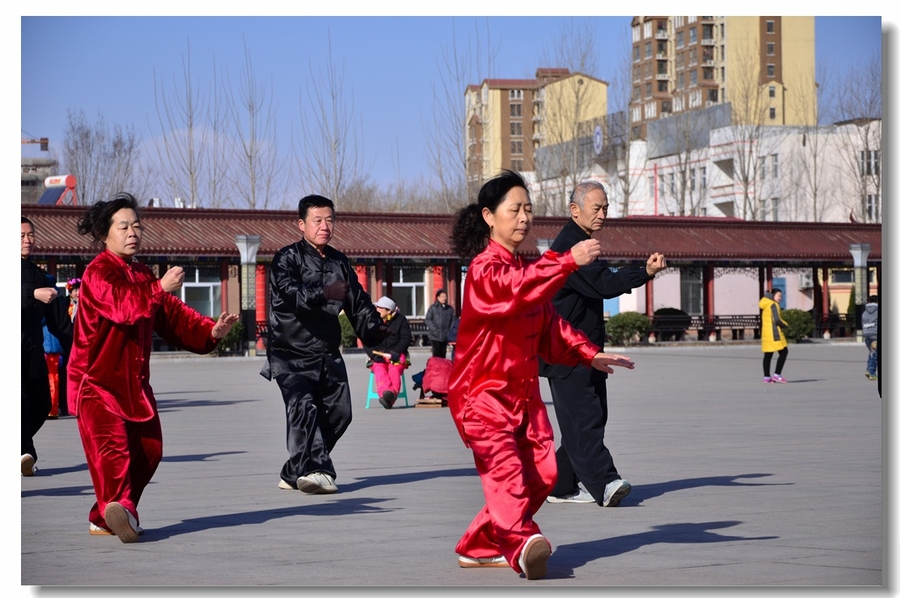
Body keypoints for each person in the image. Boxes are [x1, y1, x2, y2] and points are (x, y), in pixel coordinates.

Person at [447, 170, 635, 580]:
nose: (523, 218)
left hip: (522, 394)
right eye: (514, 210)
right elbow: (517, 290)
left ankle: (479, 545)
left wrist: (590, 354)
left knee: (544, 473)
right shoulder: (484, 270)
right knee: (506, 473)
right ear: (488, 216)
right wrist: (566, 261)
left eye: (528, 210)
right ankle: (522, 544)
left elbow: (550, 325)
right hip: (482, 396)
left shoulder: (523, 267)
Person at [67, 193, 239, 543]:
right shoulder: (98, 272)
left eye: (137, 225)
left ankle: (107, 515)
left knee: (151, 449)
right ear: (105, 234)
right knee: (113, 455)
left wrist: (210, 331)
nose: (133, 232)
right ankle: (122, 509)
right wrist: (158, 287)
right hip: (96, 384)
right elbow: (123, 307)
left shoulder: (142, 272)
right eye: (124, 226)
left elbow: (171, 316)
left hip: (134, 386)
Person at [539, 181, 666, 507]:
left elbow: (600, 283)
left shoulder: (584, 242)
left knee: (589, 419)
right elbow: (604, 284)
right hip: (566, 353)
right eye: (597, 208)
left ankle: (560, 485)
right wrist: (644, 272)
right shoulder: (570, 247)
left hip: (589, 352)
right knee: (585, 419)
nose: (603, 214)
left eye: (606, 207)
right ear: (574, 209)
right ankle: (606, 483)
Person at [261, 194, 390, 495]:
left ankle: (295, 470)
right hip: (290, 352)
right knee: (303, 407)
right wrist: (325, 291)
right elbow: (293, 295)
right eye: (317, 220)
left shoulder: (339, 262)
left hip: (326, 352)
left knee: (341, 413)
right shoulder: (286, 259)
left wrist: (375, 329)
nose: (324, 226)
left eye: (329, 220)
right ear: (301, 224)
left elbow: (358, 303)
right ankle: (316, 470)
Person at [21, 217, 72, 476]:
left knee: (42, 403)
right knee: (20, 403)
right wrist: (31, 295)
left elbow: (58, 320)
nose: (27, 240)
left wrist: (76, 348)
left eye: (30, 235)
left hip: (33, 351)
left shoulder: (39, 274)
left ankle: (19, 449)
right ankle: (24, 454)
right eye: (20, 236)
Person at [365, 295, 412, 409]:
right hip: (378, 355)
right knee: (379, 369)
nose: (377, 310)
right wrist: (373, 354)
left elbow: (406, 338)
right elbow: (366, 340)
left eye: (380, 308)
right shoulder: (373, 320)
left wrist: (396, 352)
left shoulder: (401, 320)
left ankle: (389, 396)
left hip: (397, 354)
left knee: (394, 369)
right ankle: (388, 395)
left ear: (389, 310)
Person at [759, 288, 789, 383]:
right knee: (784, 352)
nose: (780, 298)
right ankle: (777, 374)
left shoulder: (765, 304)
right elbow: (777, 320)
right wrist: (786, 325)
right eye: (779, 296)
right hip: (774, 334)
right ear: (773, 296)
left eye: (781, 296)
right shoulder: (773, 304)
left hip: (766, 333)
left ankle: (766, 377)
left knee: (768, 354)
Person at [425, 288, 455, 358]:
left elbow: (453, 320)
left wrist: (449, 331)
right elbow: (428, 320)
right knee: (436, 354)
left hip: (445, 335)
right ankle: (436, 368)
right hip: (435, 336)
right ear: (438, 297)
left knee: (443, 354)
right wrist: (435, 330)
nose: (444, 298)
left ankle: (442, 368)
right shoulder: (433, 308)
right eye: (443, 296)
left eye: (445, 296)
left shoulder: (449, 309)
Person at [861, 295, 878, 381]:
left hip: (867, 335)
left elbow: (862, 324)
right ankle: (872, 373)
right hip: (875, 335)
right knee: (875, 354)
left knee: (872, 352)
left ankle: (868, 370)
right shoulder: (879, 311)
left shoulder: (864, 312)